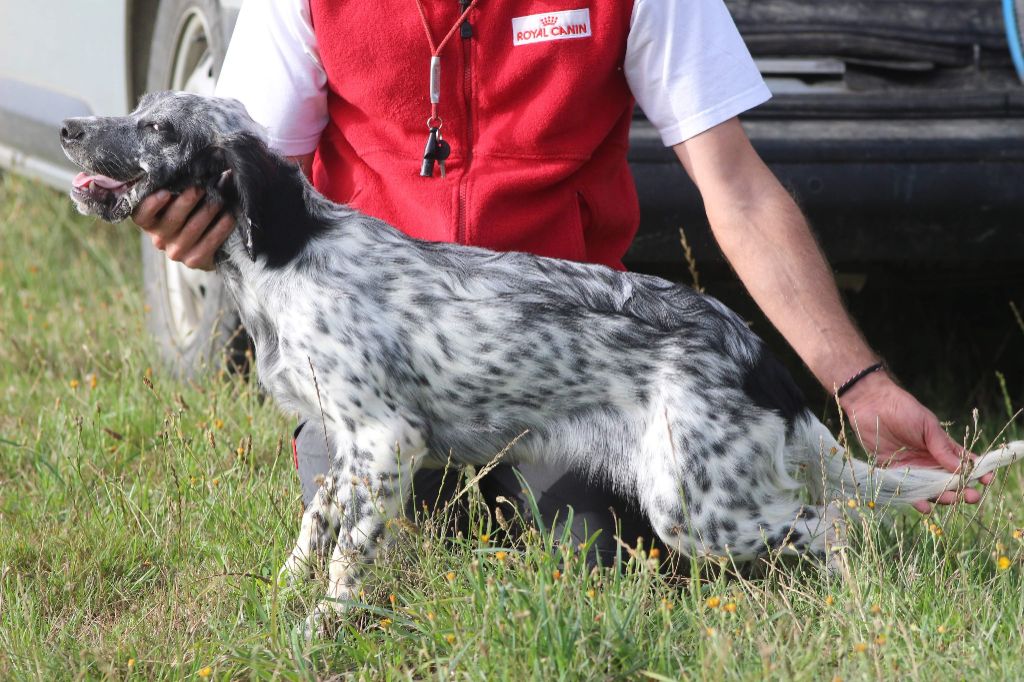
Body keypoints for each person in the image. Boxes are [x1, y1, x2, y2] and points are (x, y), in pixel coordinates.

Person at [132, 0, 987, 557]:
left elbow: (739, 190)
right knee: (386, 549)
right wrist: (194, 227)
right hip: (379, 371)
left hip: (567, 377)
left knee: (611, 552)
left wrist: (859, 384)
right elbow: (247, 180)